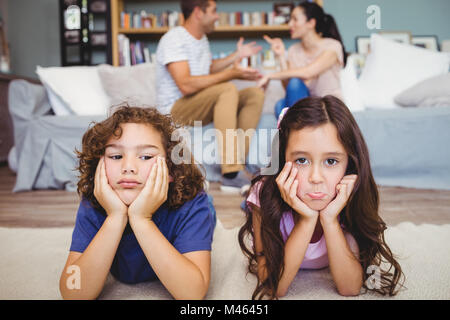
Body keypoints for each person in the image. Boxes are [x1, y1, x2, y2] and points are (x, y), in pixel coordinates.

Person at [238, 96, 404, 299]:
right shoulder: (263, 196)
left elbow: (350, 288)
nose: (316, 178)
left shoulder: (350, 194)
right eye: (301, 160)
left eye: (331, 161)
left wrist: (330, 219)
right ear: (283, 159)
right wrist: (307, 220)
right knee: (261, 188)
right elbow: (275, 287)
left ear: (349, 164)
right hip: (274, 198)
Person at [59, 106, 216, 300]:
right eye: (116, 156)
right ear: (99, 166)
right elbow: (73, 294)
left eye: (145, 157)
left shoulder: (191, 204)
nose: (128, 167)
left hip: (191, 200)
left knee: (207, 205)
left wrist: (141, 218)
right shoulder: (93, 203)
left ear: (171, 169)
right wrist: (115, 217)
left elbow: (192, 294)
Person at [156, 0, 265, 193]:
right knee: (227, 89)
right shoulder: (174, 39)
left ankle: (237, 165)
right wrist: (232, 74)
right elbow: (186, 84)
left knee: (253, 94)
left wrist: (235, 57)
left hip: (198, 104)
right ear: (198, 12)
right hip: (174, 109)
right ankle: (231, 172)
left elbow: (208, 69)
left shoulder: (201, 39)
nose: (217, 16)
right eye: (214, 11)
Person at [258, 1, 347, 119]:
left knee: (283, 107)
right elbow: (290, 88)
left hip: (329, 107)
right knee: (280, 105)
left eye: (295, 19)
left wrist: (270, 76)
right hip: (307, 107)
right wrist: (281, 56)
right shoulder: (293, 50)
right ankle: (301, 129)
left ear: (311, 23)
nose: (290, 24)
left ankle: (299, 130)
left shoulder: (332, 46)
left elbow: (308, 72)